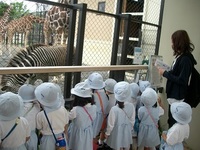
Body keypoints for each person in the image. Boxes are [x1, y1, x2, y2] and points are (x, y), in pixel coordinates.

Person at [157, 30, 197, 128]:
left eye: (173, 41)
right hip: (174, 96)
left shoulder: (185, 59)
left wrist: (165, 73)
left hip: (178, 97)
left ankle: (171, 142)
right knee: (171, 121)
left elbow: (182, 80)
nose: (171, 44)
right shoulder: (180, 56)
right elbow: (177, 73)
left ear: (178, 42)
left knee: (174, 124)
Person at [35, 82, 69, 150]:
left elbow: (39, 127)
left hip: (47, 140)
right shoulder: (63, 109)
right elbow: (66, 124)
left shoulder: (41, 115)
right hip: (61, 137)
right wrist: (66, 135)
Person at [105, 81, 135, 150]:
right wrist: (130, 129)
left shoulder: (114, 109)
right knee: (126, 146)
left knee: (117, 146)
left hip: (116, 132)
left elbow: (111, 124)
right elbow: (132, 120)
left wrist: (107, 133)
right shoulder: (131, 106)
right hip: (127, 130)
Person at [68, 82, 96, 150]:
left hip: (77, 133)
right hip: (88, 131)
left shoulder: (76, 109)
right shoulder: (94, 107)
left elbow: (69, 117)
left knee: (77, 146)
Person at [85, 72, 109, 145]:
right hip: (100, 119)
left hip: (93, 120)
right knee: (95, 136)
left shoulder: (93, 96)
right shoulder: (105, 95)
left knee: (89, 137)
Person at [18, 84, 41, 150]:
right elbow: (37, 102)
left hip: (19, 135)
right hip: (32, 134)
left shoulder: (17, 107)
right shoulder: (37, 107)